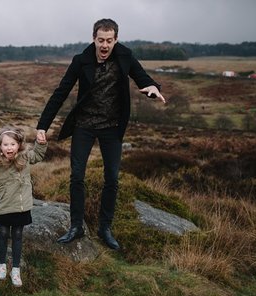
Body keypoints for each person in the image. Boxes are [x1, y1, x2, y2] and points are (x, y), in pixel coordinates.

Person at [36, 18, 166, 250]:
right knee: (77, 176)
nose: (105, 45)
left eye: (109, 40)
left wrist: (153, 88)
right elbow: (61, 92)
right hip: (84, 125)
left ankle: (105, 228)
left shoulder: (124, 56)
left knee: (112, 179)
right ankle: (76, 226)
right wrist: (42, 126)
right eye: (100, 40)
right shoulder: (81, 61)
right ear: (93, 39)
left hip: (111, 126)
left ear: (116, 39)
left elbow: (141, 77)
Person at [0, 126, 47, 287]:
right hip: (3, 205)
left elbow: (38, 155)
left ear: (19, 145)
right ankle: (1, 265)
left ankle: (16, 269)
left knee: (17, 235)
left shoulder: (25, 157)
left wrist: (41, 143)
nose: (9, 147)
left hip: (21, 206)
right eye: (5, 145)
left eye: (12, 144)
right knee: (3, 233)